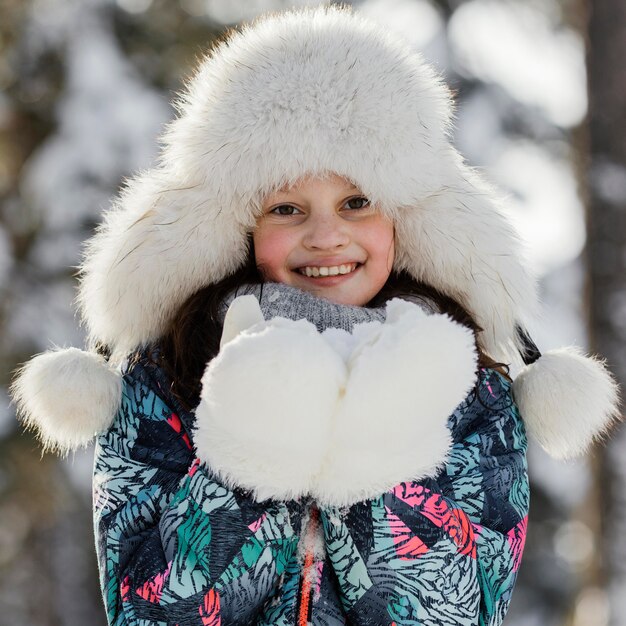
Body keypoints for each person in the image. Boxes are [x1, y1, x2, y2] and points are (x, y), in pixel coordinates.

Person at [10, 5, 620, 626]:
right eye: (286, 208)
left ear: (404, 219)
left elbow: (449, 608)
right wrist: (255, 425)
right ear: (239, 226)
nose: (327, 236)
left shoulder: (473, 390)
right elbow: (155, 609)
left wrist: (384, 415)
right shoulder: (162, 378)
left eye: (357, 202)